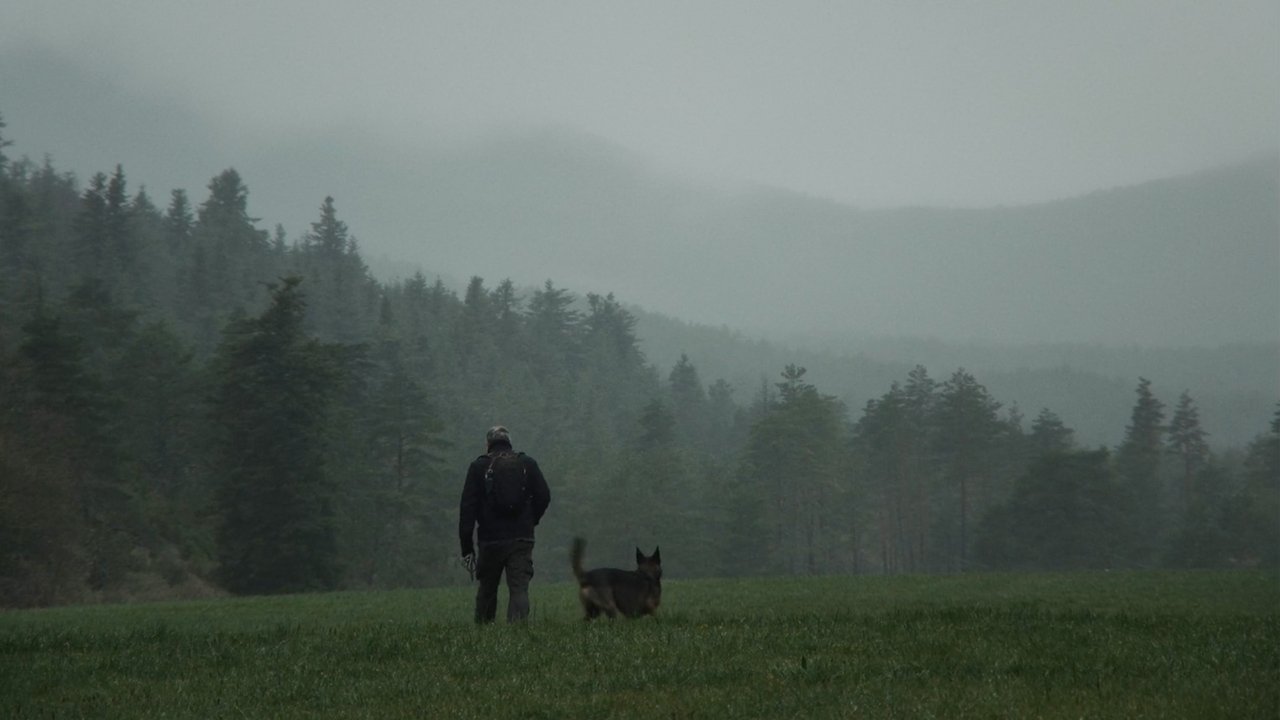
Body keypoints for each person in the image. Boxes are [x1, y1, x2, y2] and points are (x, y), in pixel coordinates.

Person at [458, 425, 551, 623]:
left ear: (488, 444)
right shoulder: (527, 463)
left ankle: (484, 631)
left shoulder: (478, 467)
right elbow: (544, 496)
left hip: (490, 539)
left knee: (487, 589)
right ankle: (517, 632)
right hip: (521, 538)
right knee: (519, 588)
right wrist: (531, 520)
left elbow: (467, 509)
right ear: (509, 442)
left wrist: (467, 547)